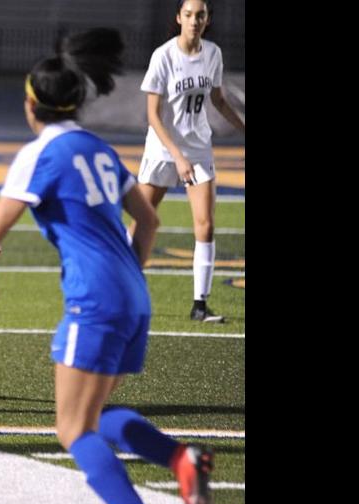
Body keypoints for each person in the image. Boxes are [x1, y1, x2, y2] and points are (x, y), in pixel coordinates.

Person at [0, 28, 214, 504]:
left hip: (94, 302)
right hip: (136, 298)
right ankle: (182, 458)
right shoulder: (98, 147)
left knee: (72, 430)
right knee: (89, 416)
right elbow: (150, 219)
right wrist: (127, 276)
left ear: (32, 107)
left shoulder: (39, 156)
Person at [136, 0, 245, 322]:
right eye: (189, 15)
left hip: (197, 148)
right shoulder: (164, 56)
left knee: (206, 224)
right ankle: (121, 291)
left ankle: (200, 304)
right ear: (179, 18)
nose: (195, 20)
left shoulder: (213, 54)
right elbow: (153, 116)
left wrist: (242, 128)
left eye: (201, 15)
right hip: (162, 149)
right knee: (142, 221)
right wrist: (176, 156)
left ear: (207, 20)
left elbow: (218, 100)